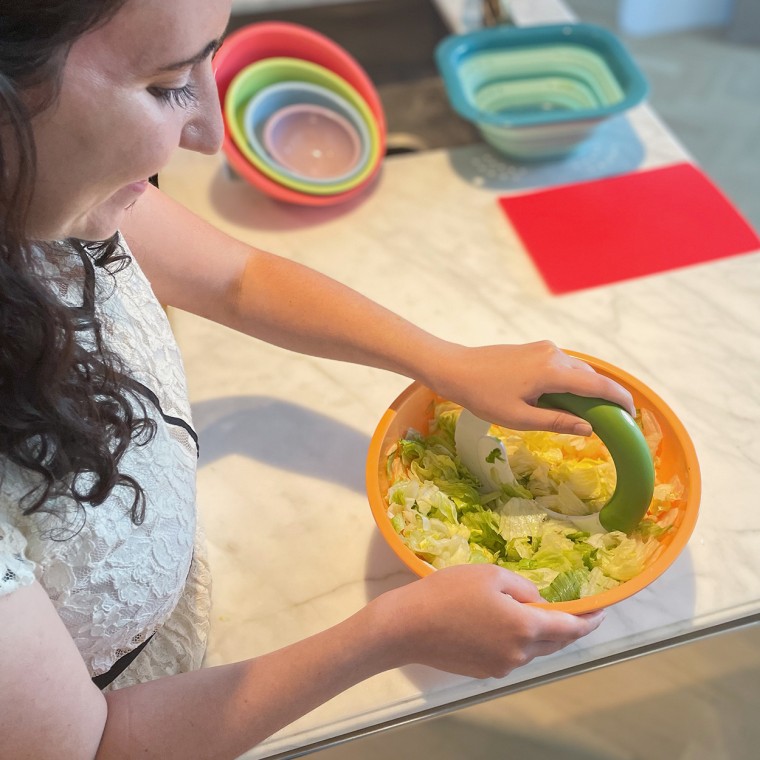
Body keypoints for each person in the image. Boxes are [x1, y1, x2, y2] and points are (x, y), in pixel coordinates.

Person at [0, 1, 636, 757]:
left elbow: (237, 279)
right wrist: (391, 632)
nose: (210, 134)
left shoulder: (51, 199)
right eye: (170, 83)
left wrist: (446, 361)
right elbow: (96, 745)